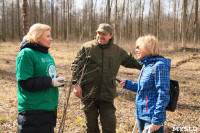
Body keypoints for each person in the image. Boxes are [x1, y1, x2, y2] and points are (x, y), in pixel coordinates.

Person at [71, 23, 142, 133]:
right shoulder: (87, 48)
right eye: (99, 33)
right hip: (89, 94)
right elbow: (76, 66)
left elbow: (132, 61)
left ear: (111, 35)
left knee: (109, 127)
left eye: (104, 34)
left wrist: (150, 66)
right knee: (91, 127)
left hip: (107, 95)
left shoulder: (117, 51)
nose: (101, 36)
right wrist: (76, 84)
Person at [16, 23, 65, 133]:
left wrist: (56, 79)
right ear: (37, 37)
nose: (51, 39)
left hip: (49, 108)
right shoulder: (26, 54)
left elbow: (44, 76)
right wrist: (51, 81)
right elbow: (25, 82)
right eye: (47, 36)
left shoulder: (46, 54)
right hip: (33, 111)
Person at [119, 35, 171, 133]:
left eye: (138, 47)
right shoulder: (146, 66)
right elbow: (144, 88)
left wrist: (157, 120)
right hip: (140, 114)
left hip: (152, 118)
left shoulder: (159, 65)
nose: (136, 50)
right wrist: (127, 84)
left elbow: (163, 94)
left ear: (148, 48)